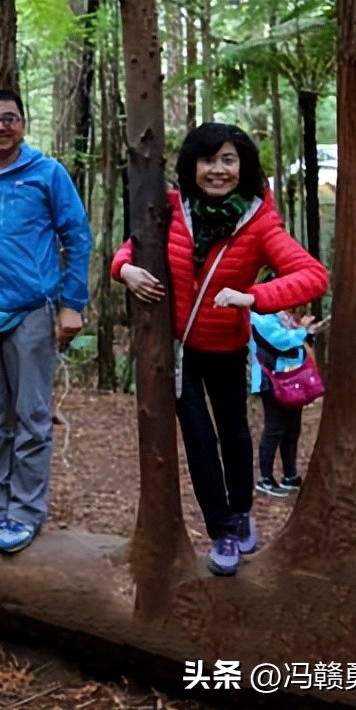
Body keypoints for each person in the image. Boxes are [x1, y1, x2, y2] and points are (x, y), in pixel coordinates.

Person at [112, 122, 327, 576]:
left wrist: (254, 296)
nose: (217, 170)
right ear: (192, 166)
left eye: (228, 160)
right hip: (179, 353)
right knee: (199, 440)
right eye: (208, 160)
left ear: (243, 166)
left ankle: (242, 510)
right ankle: (222, 531)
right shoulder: (172, 209)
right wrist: (123, 271)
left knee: (234, 434)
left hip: (228, 346)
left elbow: (313, 276)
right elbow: (130, 250)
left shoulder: (259, 221)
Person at [0, 89, 92, 554]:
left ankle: (26, 511)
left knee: (31, 416)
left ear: (23, 123)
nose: (0, 127)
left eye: (9, 118)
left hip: (31, 309)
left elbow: (77, 236)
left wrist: (72, 303)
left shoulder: (47, 173)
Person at [249, 303, 322, 497]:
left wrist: (307, 333)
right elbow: (280, 341)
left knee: (292, 428)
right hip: (271, 380)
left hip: (292, 378)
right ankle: (265, 478)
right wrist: (302, 331)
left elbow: (296, 344)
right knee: (275, 428)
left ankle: (290, 475)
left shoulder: (282, 316)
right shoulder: (260, 316)